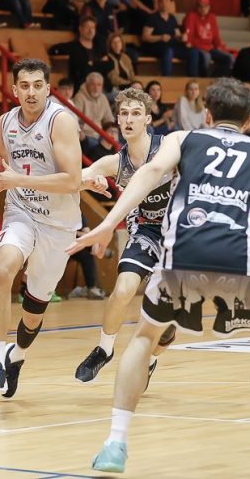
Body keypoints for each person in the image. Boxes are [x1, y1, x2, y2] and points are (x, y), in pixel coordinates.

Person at [69, 78, 250, 477]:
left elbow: (149, 173)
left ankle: (115, 443)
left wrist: (107, 223)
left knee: (144, 338)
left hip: (183, 253)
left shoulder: (183, 139)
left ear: (208, 115)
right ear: (249, 120)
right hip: (242, 260)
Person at [0, 59, 82, 398]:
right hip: (21, 210)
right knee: (2, 269)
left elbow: (72, 181)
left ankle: (16, 356)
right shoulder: (6, 121)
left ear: (48, 89)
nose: (31, 92)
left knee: (33, 313)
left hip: (58, 224)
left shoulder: (61, 121)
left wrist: (17, 179)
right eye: (24, 86)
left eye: (38, 85)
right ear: (15, 90)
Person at [74, 88, 177, 384]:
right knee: (122, 290)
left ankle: (150, 361)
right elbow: (75, 179)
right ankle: (104, 350)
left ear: (148, 119)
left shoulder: (169, 147)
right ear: (118, 120)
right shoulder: (115, 163)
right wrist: (88, 182)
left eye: (135, 113)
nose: (129, 119)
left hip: (180, 236)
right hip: (146, 231)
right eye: (124, 114)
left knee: (166, 325)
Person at [141, 0, 201, 77]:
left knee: (194, 52)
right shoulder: (152, 18)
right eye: (161, 1)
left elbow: (177, 35)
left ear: (170, 3)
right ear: (158, 4)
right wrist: (160, 37)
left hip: (172, 47)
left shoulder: (172, 19)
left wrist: (182, 37)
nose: (164, 3)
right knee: (169, 51)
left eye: (166, 1)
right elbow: (145, 37)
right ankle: (167, 78)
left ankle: (192, 79)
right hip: (157, 47)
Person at [182, 0, 234, 76]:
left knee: (230, 58)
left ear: (209, 7)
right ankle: (204, 79)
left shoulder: (212, 17)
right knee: (207, 57)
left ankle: (212, 78)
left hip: (209, 48)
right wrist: (188, 44)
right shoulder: (192, 16)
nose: (203, 9)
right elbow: (189, 34)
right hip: (197, 48)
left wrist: (219, 47)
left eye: (205, 6)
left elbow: (216, 36)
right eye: (200, 6)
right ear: (197, 7)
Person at [74, 72, 114, 150]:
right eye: (93, 84)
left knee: (122, 143)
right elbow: (73, 119)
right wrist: (79, 131)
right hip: (85, 135)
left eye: (99, 85)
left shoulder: (103, 98)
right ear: (87, 85)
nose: (96, 88)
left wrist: (112, 132)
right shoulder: (79, 97)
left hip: (100, 135)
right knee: (98, 147)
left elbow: (109, 120)